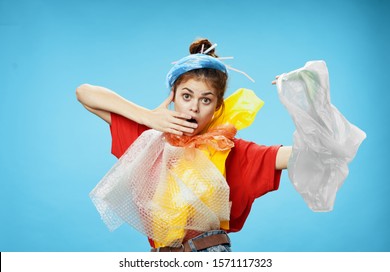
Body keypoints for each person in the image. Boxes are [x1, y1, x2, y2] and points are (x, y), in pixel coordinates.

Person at [76, 38, 293, 252]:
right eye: (187, 96)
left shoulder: (227, 149)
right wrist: (146, 117)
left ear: (217, 106)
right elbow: (84, 93)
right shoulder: (148, 142)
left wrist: (307, 101)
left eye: (206, 100)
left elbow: (305, 155)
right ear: (173, 97)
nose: (194, 108)